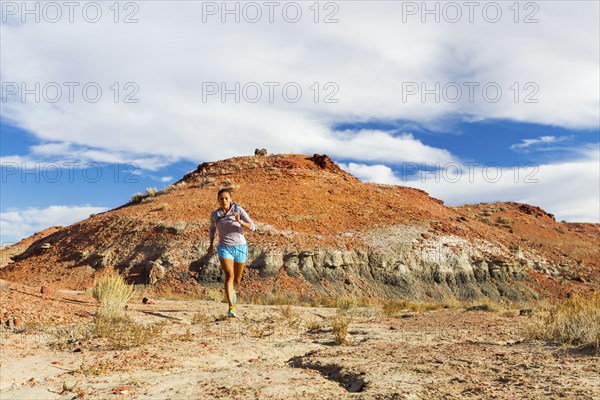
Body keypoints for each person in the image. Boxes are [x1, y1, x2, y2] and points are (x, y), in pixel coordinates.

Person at [207, 188, 256, 318]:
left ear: (231, 199)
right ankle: (231, 307)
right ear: (218, 200)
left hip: (240, 247)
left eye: (226, 198)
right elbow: (212, 230)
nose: (223, 201)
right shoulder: (215, 215)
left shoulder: (238, 210)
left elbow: (252, 227)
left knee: (237, 279)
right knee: (229, 275)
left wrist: (239, 221)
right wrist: (211, 245)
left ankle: (233, 292)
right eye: (221, 199)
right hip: (224, 248)